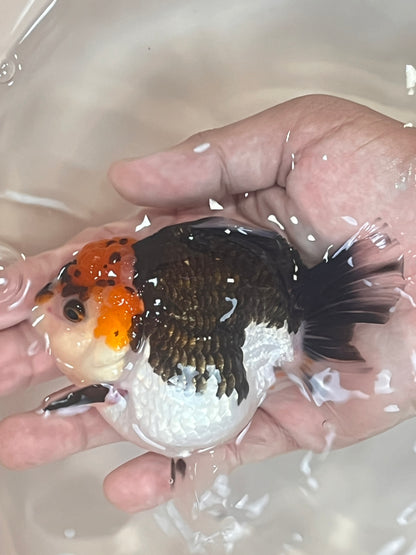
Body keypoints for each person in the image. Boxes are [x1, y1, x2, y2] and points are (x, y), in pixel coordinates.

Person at [0, 94, 415, 513]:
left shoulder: (118, 379)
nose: (49, 311)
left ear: (128, 329)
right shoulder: (117, 374)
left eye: (76, 313)